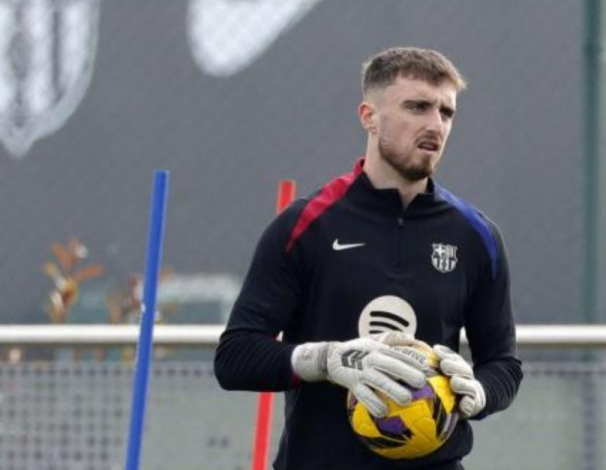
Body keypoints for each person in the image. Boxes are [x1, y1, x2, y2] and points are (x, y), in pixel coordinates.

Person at [214, 46, 523, 470]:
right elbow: (235, 358)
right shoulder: (306, 225)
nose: (435, 125)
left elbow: (503, 364)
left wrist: (479, 392)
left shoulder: (476, 236)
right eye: (417, 107)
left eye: (446, 112)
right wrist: (326, 360)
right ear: (369, 116)